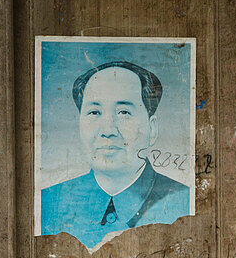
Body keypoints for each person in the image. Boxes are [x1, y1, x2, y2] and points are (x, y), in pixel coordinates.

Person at [40, 60, 191, 248]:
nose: (108, 130)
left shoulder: (187, 204)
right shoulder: (46, 203)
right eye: (94, 112)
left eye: (124, 112)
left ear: (152, 129)